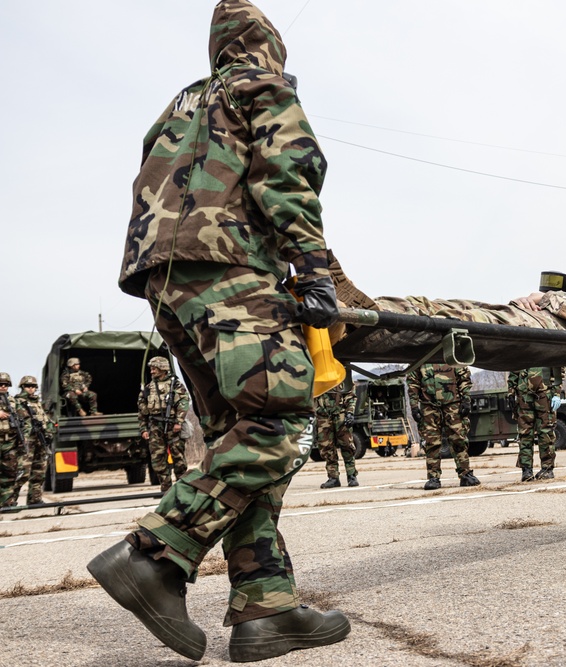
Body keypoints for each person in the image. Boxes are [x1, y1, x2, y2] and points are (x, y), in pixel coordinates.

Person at [86, 1, 349, 662]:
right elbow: (287, 172)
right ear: (267, 46)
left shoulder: (178, 106)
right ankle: (154, 554)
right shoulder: (260, 85)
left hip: (166, 281)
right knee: (279, 420)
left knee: (240, 433)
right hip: (229, 267)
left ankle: (267, 606)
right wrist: (313, 266)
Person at [407, 363, 480, 490]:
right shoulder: (422, 356)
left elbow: (463, 377)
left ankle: (465, 474)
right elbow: (413, 382)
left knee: (459, 439)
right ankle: (433, 477)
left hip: (452, 404)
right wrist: (414, 406)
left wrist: (466, 399)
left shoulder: (451, 355)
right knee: (431, 442)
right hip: (428, 406)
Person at [138, 357, 190, 493]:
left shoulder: (176, 385)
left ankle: (182, 488)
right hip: (155, 426)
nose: (152, 371)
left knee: (178, 458)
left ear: (162, 368)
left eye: (154, 368)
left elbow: (183, 403)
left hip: (173, 425)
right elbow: (142, 410)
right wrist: (143, 428)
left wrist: (179, 421)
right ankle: (166, 489)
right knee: (157, 459)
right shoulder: (148, 388)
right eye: (151, 368)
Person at [508, 367, 563, 481]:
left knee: (546, 432)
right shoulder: (520, 349)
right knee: (525, 433)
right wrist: (510, 392)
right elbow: (514, 368)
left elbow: (559, 369)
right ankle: (526, 470)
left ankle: (547, 469)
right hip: (523, 395)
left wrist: (557, 393)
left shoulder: (550, 349)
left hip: (544, 394)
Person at [12, 376, 52, 506]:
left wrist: (49, 430)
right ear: (23, 387)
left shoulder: (37, 402)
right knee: (22, 472)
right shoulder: (16, 402)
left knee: (39, 471)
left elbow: (45, 419)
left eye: (34, 386)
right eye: (28, 386)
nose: (31, 389)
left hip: (40, 440)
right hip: (26, 441)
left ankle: (35, 498)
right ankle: (9, 500)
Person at [315, 378, 359, 488]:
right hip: (322, 416)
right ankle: (333, 477)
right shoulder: (317, 375)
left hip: (340, 414)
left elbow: (351, 395)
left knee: (347, 446)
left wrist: (350, 412)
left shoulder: (341, 375)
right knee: (326, 448)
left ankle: (351, 475)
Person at [0, 372, 28, 507]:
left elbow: (23, 420)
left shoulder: (13, 402)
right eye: (1, 384)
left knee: (10, 473)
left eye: (6, 385)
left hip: (9, 443)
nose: (3, 387)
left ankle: (7, 501)